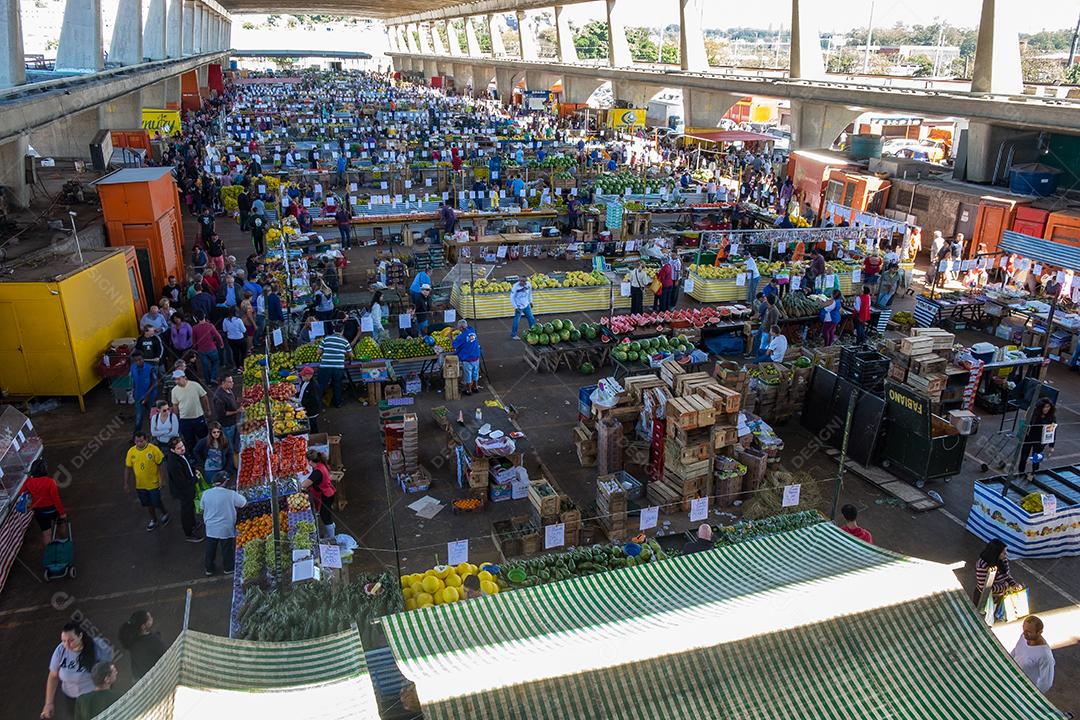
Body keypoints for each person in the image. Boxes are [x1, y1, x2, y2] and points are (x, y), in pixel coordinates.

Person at [41, 622, 113, 719]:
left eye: (71, 640)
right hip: (72, 700)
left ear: (80, 636)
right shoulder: (60, 650)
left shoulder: (97, 646)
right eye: (63, 640)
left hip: (94, 697)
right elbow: (53, 676)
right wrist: (48, 703)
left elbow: (109, 671)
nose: (67, 645)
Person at [201, 472, 247, 576]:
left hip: (211, 526)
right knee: (226, 548)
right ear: (225, 482)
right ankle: (228, 568)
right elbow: (243, 503)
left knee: (210, 548)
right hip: (225, 527)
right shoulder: (230, 494)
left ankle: (209, 569)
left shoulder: (206, 493)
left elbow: (202, 507)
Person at [124, 432, 169, 530]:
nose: (139, 443)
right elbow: (128, 467)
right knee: (148, 504)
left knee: (156, 501)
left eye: (141, 441)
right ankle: (154, 519)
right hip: (140, 485)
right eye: (137, 441)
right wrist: (126, 483)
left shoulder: (153, 449)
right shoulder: (131, 452)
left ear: (146, 440)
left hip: (154, 483)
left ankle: (164, 513)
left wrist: (162, 479)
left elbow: (161, 464)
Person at [165, 437, 202, 542]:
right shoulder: (174, 464)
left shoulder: (181, 454)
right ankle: (189, 533)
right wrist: (195, 479)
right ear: (172, 450)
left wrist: (194, 471)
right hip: (184, 491)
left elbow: (188, 465)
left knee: (190, 508)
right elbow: (182, 482)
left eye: (182, 446)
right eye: (179, 448)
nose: (182, 449)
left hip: (188, 487)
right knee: (186, 510)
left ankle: (193, 523)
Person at [26, 458, 66, 544]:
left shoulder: (28, 482)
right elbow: (56, 499)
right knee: (61, 525)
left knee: (46, 533)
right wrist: (62, 513)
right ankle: (63, 542)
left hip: (39, 512)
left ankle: (49, 552)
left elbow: (22, 493)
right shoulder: (50, 482)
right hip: (53, 510)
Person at [1011, 615, 1055, 694]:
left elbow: (1046, 683)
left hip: (1023, 690)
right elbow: (1016, 651)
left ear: (1039, 632)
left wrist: (1031, 695)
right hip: (1012, 680)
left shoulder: (1045, 656)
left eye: (1028, 631)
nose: (1024, 633)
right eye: (1024, 629)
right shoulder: (1024, 637)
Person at [117, 610, 165, 681]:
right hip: (158, 676)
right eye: (149, 618)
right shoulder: (152, 640)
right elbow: (165, 654)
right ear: (143, 626)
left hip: (142, 679)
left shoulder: (132, 641)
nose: (152, 618)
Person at [171, 370, 210, 452]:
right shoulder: (174, 390)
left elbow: (204, 396)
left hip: (198, 417)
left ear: (184, 377)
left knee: (203, 438)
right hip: (184, 419)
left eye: (178, 379)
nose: (177, 381)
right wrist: (176, 418)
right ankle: (193, 457)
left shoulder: (195, 385)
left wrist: (207, 410)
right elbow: (175, 405)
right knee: (189, 441)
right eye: (175, 379)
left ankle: (206, 453)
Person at [974, 539, 1017, 611]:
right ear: (995, 554)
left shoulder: (1003, 560)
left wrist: (1013, 584)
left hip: (1000, 596)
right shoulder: (982, 566)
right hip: (984, 599)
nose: (1006, 554)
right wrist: (1006, 587)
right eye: (1003, 552)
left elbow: (1006, 575)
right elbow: (985, 588)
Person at [317, 324, 352, 409]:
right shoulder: (345, 341)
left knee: (321, 385)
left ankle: (317, 404)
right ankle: (338, 403)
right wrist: (345, 354)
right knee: (337, 385)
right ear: (342, 331)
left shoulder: (326, 338)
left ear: (334, 330)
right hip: (338, 367)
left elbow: (318, 351)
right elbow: (351, 354)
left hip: (325, 366)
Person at [1020, 398, 1056, 475]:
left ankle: (1034, 473)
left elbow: (1053, 431)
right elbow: (1026, 421)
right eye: (1044, 407)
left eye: (1048, 407)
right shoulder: (1034, 413)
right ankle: (1021, 472)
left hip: (1041, 441)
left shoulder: (1052, 417)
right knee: (1023, 456)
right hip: (1029, 438)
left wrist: (1051, 446)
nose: (1046, 409)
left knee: (1036, 459)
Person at [129, 352, 158, 434]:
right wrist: (132, 393)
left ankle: (155, 435)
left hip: (150, 397)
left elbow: (154, 383)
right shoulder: (132, 368)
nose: (138, 362)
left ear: (143, 359)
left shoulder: (151, 369)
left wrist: (147, 396)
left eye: (140, 359)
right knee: (138, 417)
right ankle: (136, 436)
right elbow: (133, 381)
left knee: (152, 417)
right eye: (136, 360)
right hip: (138, 396)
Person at [191, 313, 224, 385]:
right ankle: (213, 377)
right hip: (212, 348)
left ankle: (208, 382)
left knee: (205, 366)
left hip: (201, 350)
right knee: (215, 362)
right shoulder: (210, 326)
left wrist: (196, 348)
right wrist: (221, 343)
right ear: (204, 317)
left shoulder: (194, 328)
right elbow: (218, 336)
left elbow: (194, 340)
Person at [452, 320, 482, 396]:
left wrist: (450, 334)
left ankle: (468, 390)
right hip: (476, 356)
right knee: (475, 372)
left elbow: (454, 345)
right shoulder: (472, 330)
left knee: (468, 374)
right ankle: (475, 388)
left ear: (461, 328)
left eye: (459, 327)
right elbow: (468, 327)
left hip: (468, 358)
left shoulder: (461, 337)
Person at [212, 375, 241, 449]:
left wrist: (244, 400)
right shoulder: (219, 397)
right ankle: (231, 458)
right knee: (229, 443)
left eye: (232, 381)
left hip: (233, 422)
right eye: (229, 382)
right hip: (227, 425)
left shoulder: (228, 389)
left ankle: (236, 451)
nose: (232, 383)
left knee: (236, 439)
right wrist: (237, 411)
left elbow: (234, 399)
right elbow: (223, 414)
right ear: (223, 383)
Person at [297, 366, 323, 433]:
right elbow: (302, 392)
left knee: (312, 424)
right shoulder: (304, 382)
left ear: (309, 376)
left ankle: (315, 437)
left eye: (303, 376)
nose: (301, 377)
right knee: (308, 423)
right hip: (305, 407)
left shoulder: (314, 386)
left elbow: (314, 400)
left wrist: (304, 407)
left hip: (311, 410)